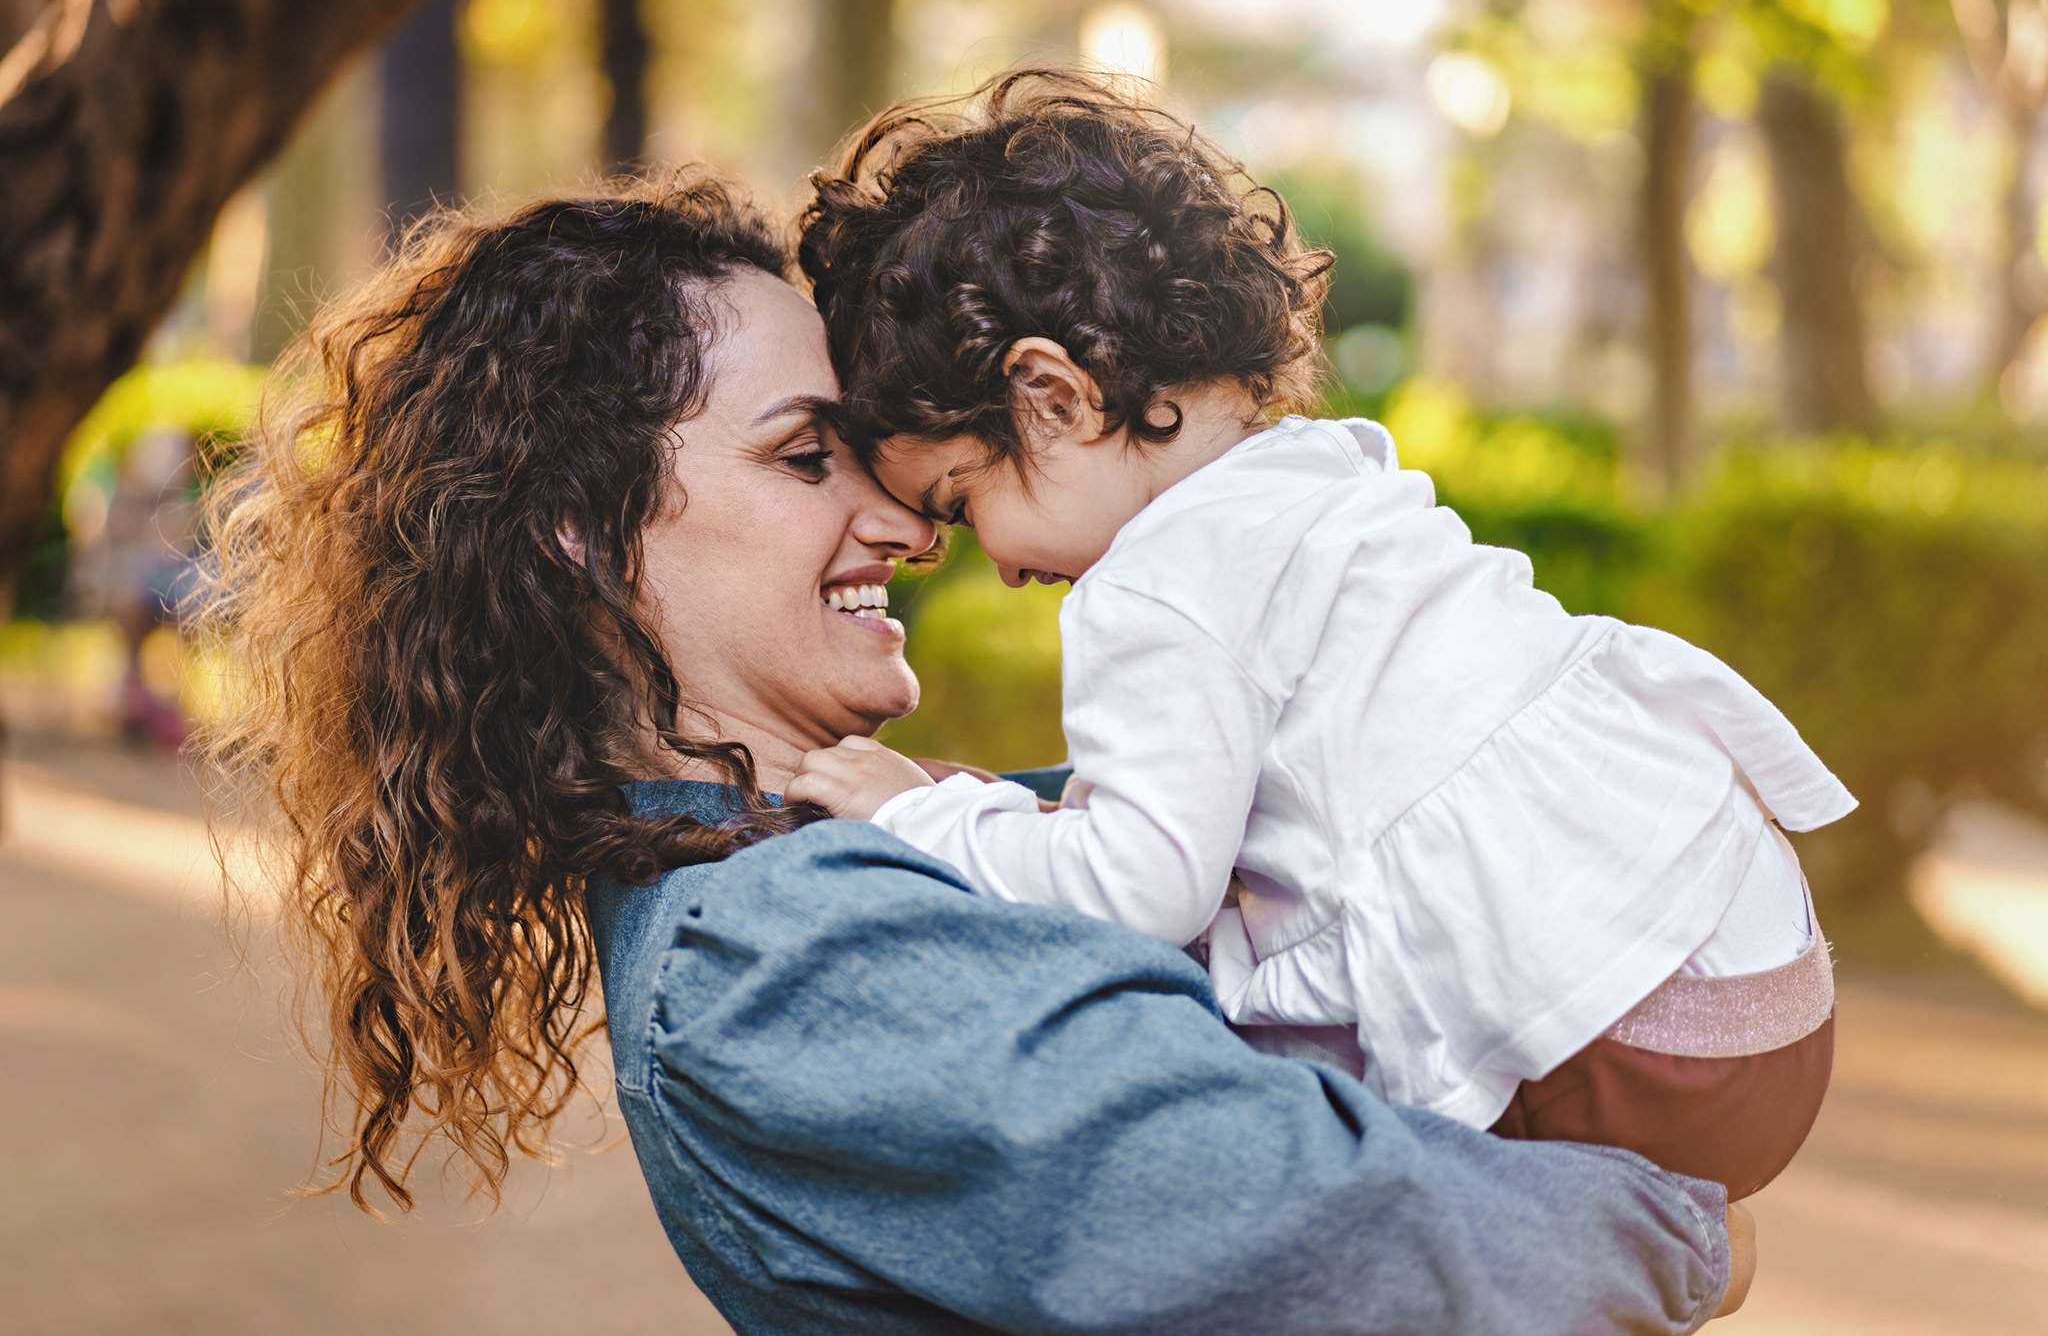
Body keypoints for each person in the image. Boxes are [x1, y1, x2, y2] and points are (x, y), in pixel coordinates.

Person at [196, 169, 1748, 1332]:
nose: (907, 521)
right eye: (808, 456)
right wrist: (1677, 1230)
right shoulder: (773, 961)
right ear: (578, 533)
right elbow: (1326, 1227)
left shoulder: (832, 859)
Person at [791, 70, 1847, 1203]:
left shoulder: (1153, 586)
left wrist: (915, 817)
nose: (998, 565)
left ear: (1052, 396)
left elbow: (1139, 893)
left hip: (1619, 1043)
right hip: (1752, 970)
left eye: (960, 501)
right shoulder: (1320, 471)